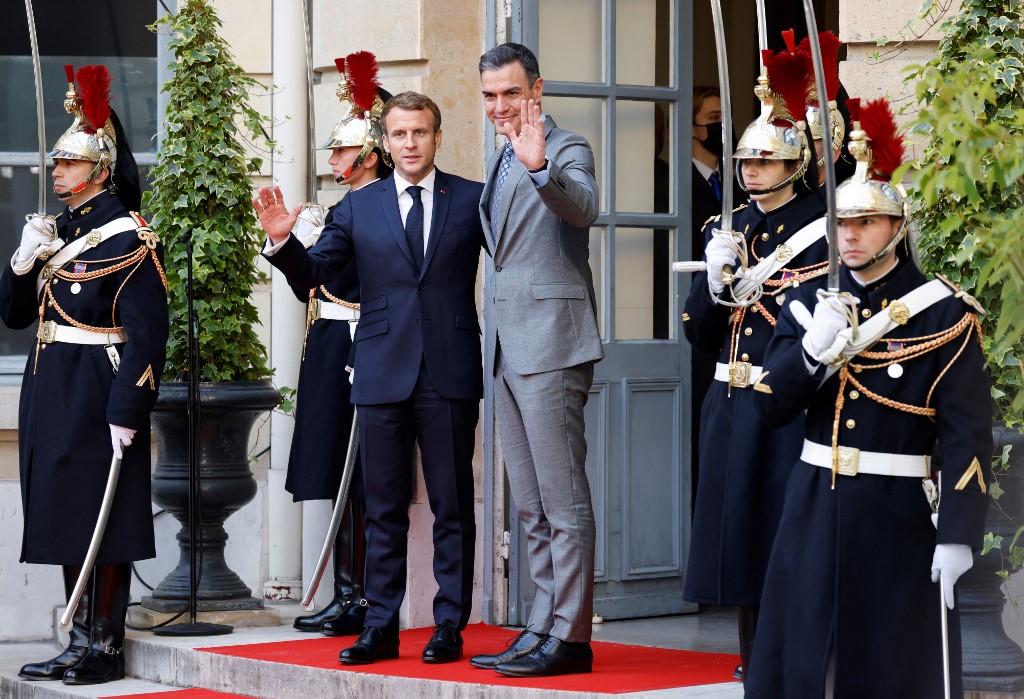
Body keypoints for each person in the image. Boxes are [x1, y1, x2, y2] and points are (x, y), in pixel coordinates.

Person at [745, 97, 991, 697]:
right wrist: (810, 352)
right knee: (802, 659)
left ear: (897, 228)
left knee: (890, 663)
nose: (849, 236)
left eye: (865, 223)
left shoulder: (944, 315)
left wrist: (959, 533)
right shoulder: (809, 303)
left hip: (894, 511)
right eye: (841, 224)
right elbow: (770, 406)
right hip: (812, 504)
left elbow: (967, 436)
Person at [254, 91, 485, 665]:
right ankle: (380, 624)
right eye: (400, 133)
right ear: (385, 142)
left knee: (452, 505)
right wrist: (282, 242)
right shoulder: (358, 207)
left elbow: (514, 253)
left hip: (449, 369)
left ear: (437, 137)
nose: (411, 143)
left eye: (420, 132)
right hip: (381, 370)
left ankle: (448, 624)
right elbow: (316, 274)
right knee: (382, 508)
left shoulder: (472, 198)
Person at [3, 64, 168, 685]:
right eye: (57, 161)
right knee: (68, 513)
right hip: (50, 383)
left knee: (107, 517)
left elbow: (148, 334)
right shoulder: (61, 229)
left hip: (99, 386)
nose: (56, 170)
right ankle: (75, 640)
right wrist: (23, 262)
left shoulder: (128, 237)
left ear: (99, 170)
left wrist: (128, 409)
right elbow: (16, 316)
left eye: (69, 162)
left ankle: (105, 644)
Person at [680, 52, 828, 681]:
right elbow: (698, 332)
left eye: (764, 160)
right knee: (736, 532)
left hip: (785, 400)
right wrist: (715, 287)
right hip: (729, 399)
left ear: (795, 166)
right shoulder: (727, 226)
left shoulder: (822, 227)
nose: (750, 170)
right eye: (744, 160)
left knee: (781, 530)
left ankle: (789, 654)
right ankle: (751, 655)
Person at [470, 42, 603, 678]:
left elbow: (583, 206)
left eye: (511, 93)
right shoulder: (499, 156)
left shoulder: (567, 147)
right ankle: (543, 624)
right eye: (490, 95)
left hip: (553, 342)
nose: (500, 106)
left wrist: (542, 166)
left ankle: (572, 636)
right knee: (529, 505)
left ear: (537, 90)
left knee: (562, 501)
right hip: (505, 347)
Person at [287, 52, 392, 638]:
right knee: (338, 476)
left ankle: (361, 596)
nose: (331, 160)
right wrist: (299, 248)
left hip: (357, 342)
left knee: (362, 479)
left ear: (369, 155)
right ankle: (346, 591)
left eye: (342, 151)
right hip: (328, 342)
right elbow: (309, 282)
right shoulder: (341, 207)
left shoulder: (376, 206)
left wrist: (309, 248)